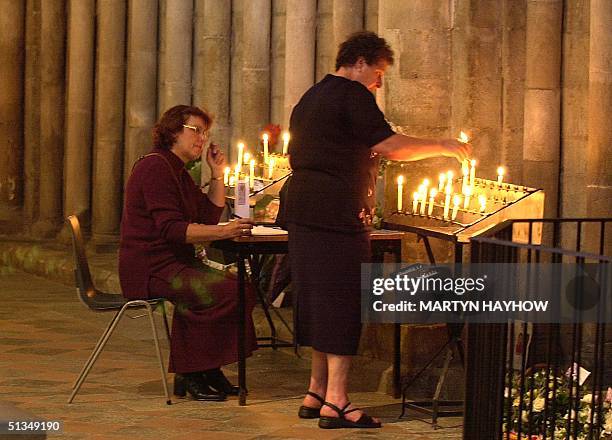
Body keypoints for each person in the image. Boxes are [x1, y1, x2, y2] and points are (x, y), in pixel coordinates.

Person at [285, 31, 471, 429]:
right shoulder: (353, 94)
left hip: (302, 209)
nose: (379, 82)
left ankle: (316, 391)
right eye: (379, 71)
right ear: (360, 62)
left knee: (317, 298)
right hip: (335, 212)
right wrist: (444, 145)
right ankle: (337, 401)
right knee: (341, 300)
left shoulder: (311, 96)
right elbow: (389, 146)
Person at [119, 105, 256, 402]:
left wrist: (217, 174)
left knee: (240, 287)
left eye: (205, 133)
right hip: (150, 267)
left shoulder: (177, 170)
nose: (202, 139)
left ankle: (206, 368)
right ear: (173, 131)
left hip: (174, 263)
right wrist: (226, 231)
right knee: (218, 291)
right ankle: (191, 371)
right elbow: (172, 229)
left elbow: (206, 216)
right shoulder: (155, 167)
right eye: (196, 131)